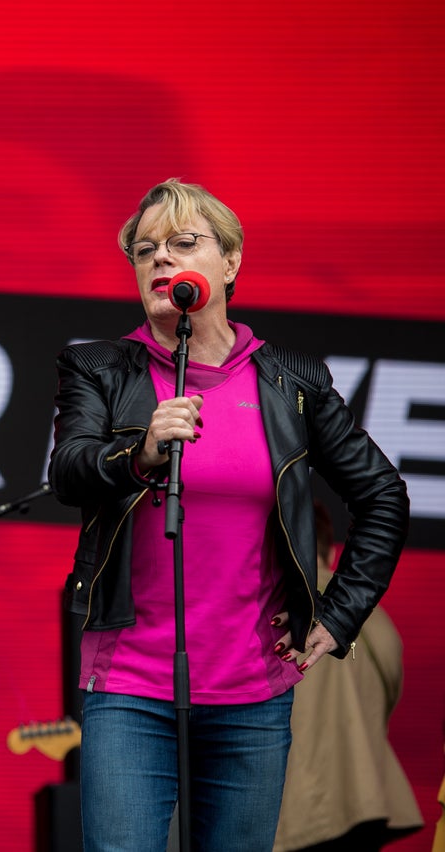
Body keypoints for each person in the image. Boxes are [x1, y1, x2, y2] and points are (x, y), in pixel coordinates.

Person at [48, 178, 410, 852]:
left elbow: (383, 495)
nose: (161, 260)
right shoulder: (99, 367)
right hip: (130, 680)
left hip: (251, 687)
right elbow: (69, 469)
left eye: (184, 243)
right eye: (145, 249)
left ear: (232, 262)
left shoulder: (291, 381)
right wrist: (143, 451)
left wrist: (338, 615)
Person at [273, 501, 422, 851]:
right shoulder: (375, 616)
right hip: (367, 801)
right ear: (332, 548)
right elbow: (391, 695)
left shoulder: (274, 609)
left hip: (296, 810)